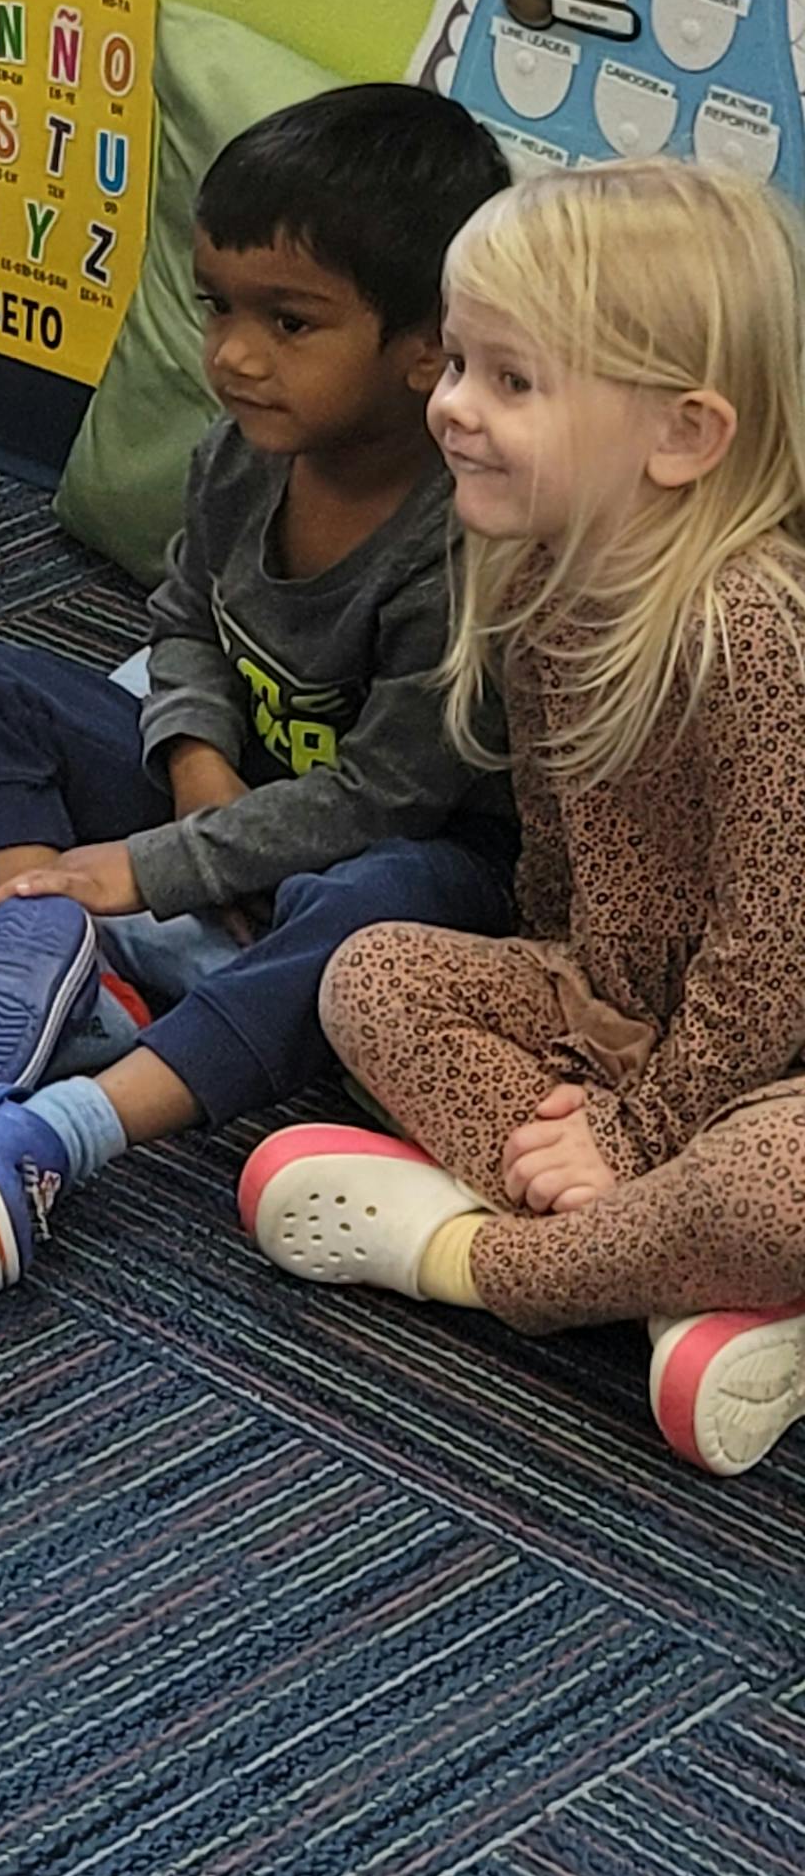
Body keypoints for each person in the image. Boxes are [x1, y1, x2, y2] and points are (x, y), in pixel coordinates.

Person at [0, 85, 518, 1292]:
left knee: (370, 916)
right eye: (218, 306)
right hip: (242, 796)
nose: (233, 354)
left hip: (406, 853)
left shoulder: (459, 543)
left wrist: (165, 865)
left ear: (427, 350)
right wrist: (195, 765)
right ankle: (46, 946)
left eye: (289, 322)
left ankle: (72, 1129)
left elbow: (388, 798)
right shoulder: (242, 452)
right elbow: (184, 618)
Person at [245, 161, 805, 1480]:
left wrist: (638, 1129)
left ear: (683, 435)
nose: (450, 408)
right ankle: (685, 1278)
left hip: (774, 1057)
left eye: (512, 381)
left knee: (768, 1186)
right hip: (637, 1030)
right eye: (457, 365)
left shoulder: (757, 638)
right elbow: (559, 863)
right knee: (369, 978)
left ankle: (468, 1259)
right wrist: (589, 1051)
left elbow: (776, 953)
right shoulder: (543, 577)